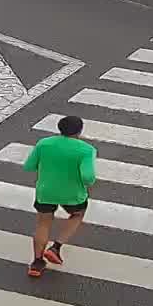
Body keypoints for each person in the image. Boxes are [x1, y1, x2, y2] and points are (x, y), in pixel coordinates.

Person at [22, 115, 96, 279]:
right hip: (73, 194)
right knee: (77, 215)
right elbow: (88, 178)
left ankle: (37, 263)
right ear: (79, 131)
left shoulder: (44, 143)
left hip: (46, 191)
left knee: (43, 223)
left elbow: (29, 166)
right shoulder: (86, 150)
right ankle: (55, 247)